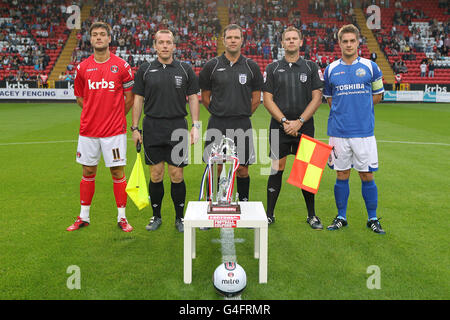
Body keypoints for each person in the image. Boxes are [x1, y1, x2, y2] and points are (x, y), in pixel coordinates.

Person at [67, 22, 135, 232]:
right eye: (95, 34)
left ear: (109, 39)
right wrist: (93, 113)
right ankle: (83, 216)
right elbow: (79, 97)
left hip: (114, 132)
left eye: (102, 34)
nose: (98, 37)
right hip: (88, 130)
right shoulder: (83, 68)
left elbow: (130, 98)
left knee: (117, 171)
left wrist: (114, 116)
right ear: (90, 39)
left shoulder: (122, 66)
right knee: (88, 170)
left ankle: (122, 218)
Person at [131, 29, 200, 233]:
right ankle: (156, 216)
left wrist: (196, 126)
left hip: (177, 126)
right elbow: (138, 100)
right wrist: (135, 128)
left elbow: (194, 97)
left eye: (168, 42)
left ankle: (180, 218)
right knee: (156, 174)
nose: (164, 46)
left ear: (174, 46)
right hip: (152, 126)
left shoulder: (185, 69)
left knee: (176, 174)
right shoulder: (145, 69)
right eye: (160, 42)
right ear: (155, 46)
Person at [323, 24, 386, 234]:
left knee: (367, 175)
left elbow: (378, 96)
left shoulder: (370, 67)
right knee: (342, 175)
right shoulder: (331, 69)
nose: (349, 44)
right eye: (345, 41)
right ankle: (341, 216)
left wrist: (360, 110)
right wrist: (345, 112)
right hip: (338, 132)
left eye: (352, 41)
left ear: (358, 42)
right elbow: (330, 99)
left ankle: (373, 218)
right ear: (339, 43)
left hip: (364, 133)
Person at [262, 26, 324, 228]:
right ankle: (269, 214)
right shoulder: (272, 68)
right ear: (282, 43)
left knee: (308, 172)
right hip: (279, 127)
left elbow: (317, 98)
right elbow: (267, 99)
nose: (290, 41)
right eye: (287, 39)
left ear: (301, 42)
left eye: (294, 38)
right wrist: (284, 122)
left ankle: (312, 215)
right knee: (276, 168)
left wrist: (300, 121)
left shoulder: (311, 67)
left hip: (305, 126)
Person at [199, 24, 264, 203]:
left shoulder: (251, 66)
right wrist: (219, 112)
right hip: (217, 124)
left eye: (236, 37)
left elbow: (257, 98)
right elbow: (205, 97)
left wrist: (241, 113)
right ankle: (210, 203)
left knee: (243, 168)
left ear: (242, 40)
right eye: (229, 37)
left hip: (242, 124)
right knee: (215, 166)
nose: (233, 40)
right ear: (223, 40)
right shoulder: (212, 66)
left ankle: (243, 204)